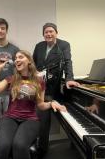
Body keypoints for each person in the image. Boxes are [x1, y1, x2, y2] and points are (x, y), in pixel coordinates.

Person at [0, 50, 66, 159]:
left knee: (20, 145)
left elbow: (41, 105)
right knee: (3, 146)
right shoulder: (11, 79)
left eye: (20, 57)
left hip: (30, 119)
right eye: (15, 58)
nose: (16, 60)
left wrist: (52, 103)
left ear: (29, 61)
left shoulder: (39, 81)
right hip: (10, 118)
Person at [33, 22, 80, 157]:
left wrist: (70, 78)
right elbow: (34, 64)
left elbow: (67, 62)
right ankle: (42, 150)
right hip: (41, 88)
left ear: (56, 33)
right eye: (46, 32)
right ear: (43, 35)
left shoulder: (64, 45)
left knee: (67, 117)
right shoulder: (39, 46)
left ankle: (74, 145)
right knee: (43, 122)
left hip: (56, 88)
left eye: (51, 31)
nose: (48, 34)